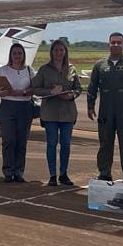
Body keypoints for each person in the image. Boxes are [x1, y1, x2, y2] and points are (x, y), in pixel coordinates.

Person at [86, 32, 123, 184]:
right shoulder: (100, 65)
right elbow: (92, 87)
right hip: (105, 110)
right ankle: (104, 173)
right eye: (113, 42)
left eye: (119, 42)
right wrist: (90, 106)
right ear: (109, 44)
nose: (116, 45)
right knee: (105, 143)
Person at [31, 37, 81, 186]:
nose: (59, 53)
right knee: (51, 144)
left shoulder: (72, 69)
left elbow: (78, 88)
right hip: (50, 113)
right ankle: (52, 175)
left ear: (65, 52)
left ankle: (63, 174)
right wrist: (51, 91)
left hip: (67, 112)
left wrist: (70, 96)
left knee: (65, 144)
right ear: (51, 52)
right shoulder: (44, 69)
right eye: (56, 50)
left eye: (61, 50)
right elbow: (35, 89)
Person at [0, 43, 35, 182]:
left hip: (25, 107)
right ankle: (8, 172)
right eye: (15, 53)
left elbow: (35, 88)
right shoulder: (3, 70)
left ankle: (18, 172)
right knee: (8, 140)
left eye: (20, 53)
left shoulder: (29, 70)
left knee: (21, 141)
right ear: (10, 55)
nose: (17, 56)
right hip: (7, 106)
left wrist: (23, 92)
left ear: (23, 55)